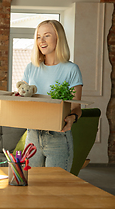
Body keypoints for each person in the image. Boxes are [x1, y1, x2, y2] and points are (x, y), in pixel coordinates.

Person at [22, 20, 83, 172]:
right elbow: (22, 97)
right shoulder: (31, 68)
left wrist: (72, 118)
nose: (41, 41)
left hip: (58, 137)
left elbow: (76, 107)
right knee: (30, 187)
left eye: (46, 36)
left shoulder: (71, 69)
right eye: (38, 37)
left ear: (58, 38)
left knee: (56, 189)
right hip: (33, 136)